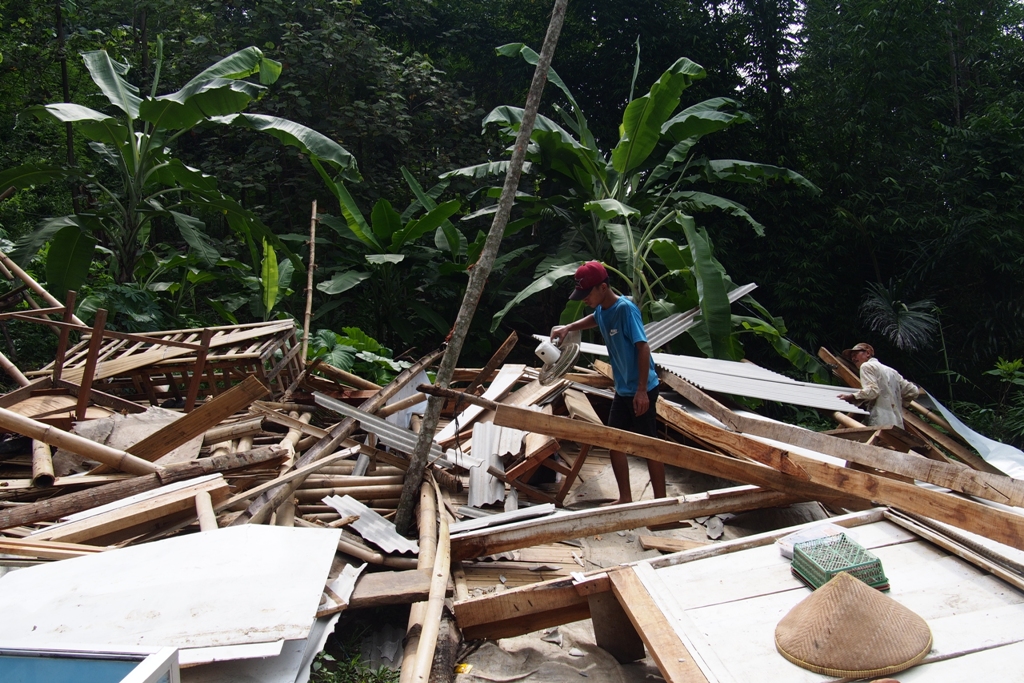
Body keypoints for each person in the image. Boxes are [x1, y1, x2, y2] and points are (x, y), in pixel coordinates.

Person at [550, 261, 666, 504]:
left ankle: (661, 504)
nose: (584, 299)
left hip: (641, 390)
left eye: (587, 293)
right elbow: (595, 318)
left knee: (649, 447)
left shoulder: (625, 309)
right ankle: (625, 498)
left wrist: (642, 391)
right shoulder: (603, 309)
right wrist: (569, 327)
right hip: (623, 390)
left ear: (603, 287)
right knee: (612, 441)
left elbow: (643, 347)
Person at [838, 342, 920, 428]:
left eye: (855, 354)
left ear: (868, 353)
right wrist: (897, 402)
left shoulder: (866, 366)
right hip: (896, 424)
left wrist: (852, 397)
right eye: (851, 357)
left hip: (880, 423)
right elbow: (913, 391)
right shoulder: (891, 371)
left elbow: (873, 391)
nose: (853, 358)